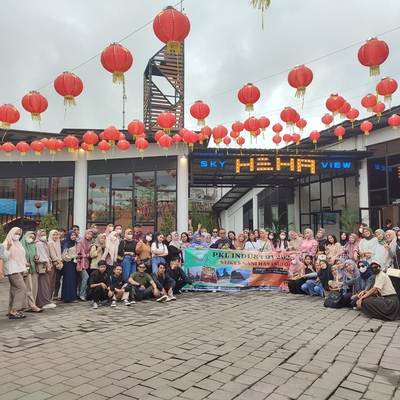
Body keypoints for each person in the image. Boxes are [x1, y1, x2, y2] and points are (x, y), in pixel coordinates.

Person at [3, 228, 28, 319]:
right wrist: (8, 248)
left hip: (19, 268)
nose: (17, 235)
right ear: (11, 233)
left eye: (19, 234)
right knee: (21, 287)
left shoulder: (18, 243)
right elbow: (4, 257)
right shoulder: (6, 243)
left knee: (14, 289)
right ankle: (15, 310)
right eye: (16, 233)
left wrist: (25, 267)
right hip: (11, 269)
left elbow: (22, 256)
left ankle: (10, 309)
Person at [21, 231, 42, 313]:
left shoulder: (33, 246)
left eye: (33, 238)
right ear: (26, 236)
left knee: (34, 288)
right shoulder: (21, 245)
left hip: (34, 268)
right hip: (26, 270)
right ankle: (29, 305)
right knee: (28, 288)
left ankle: (32, 304)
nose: (31, 239)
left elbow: (35, 255)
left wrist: (36, 260)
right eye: (30, 237)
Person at [35, 229, 56, 309]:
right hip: (43, 266)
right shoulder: (39, 244)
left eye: (44, 234)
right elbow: (42, 255)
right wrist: (47, 265)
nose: (43, 236)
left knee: (46, 283)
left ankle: (45, 300)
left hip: (45, 264)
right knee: (43, 284)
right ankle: (43, 302)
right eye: (41, 235)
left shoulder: (44, 243)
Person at [61, 230, 79, 303]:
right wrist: (74, 256)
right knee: (69, 280)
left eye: (74, 235)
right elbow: (64, 256)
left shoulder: (75, 243)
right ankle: (68, 297)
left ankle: (72, 296)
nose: (73, 236)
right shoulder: (66, 243)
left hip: (74, 263)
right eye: (72, 235)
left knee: (73, 280)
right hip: (68, 263)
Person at [76, 229, 93, 301]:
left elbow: (88, 251)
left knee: (81, 279)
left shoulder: (89, 242)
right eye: (88, 234)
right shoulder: (80, 242)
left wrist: (88, 254)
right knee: (86, 277)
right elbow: (78, 253)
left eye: (91, 235)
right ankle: (82, 294)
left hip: (85, 262)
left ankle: (79, 294)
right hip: (81, 263)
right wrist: (78, 263)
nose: (89, 236)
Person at [47, 229, 63, 301]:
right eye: (54, 234)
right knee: (50, 282)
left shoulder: (57, 243)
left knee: (54, 282)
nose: (56, 236)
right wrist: (60, 263)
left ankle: (50, 299)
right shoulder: (50, 243)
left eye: (57, 234)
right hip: (52, 264)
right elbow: (53, 255)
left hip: (56, 264)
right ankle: (47, 299)